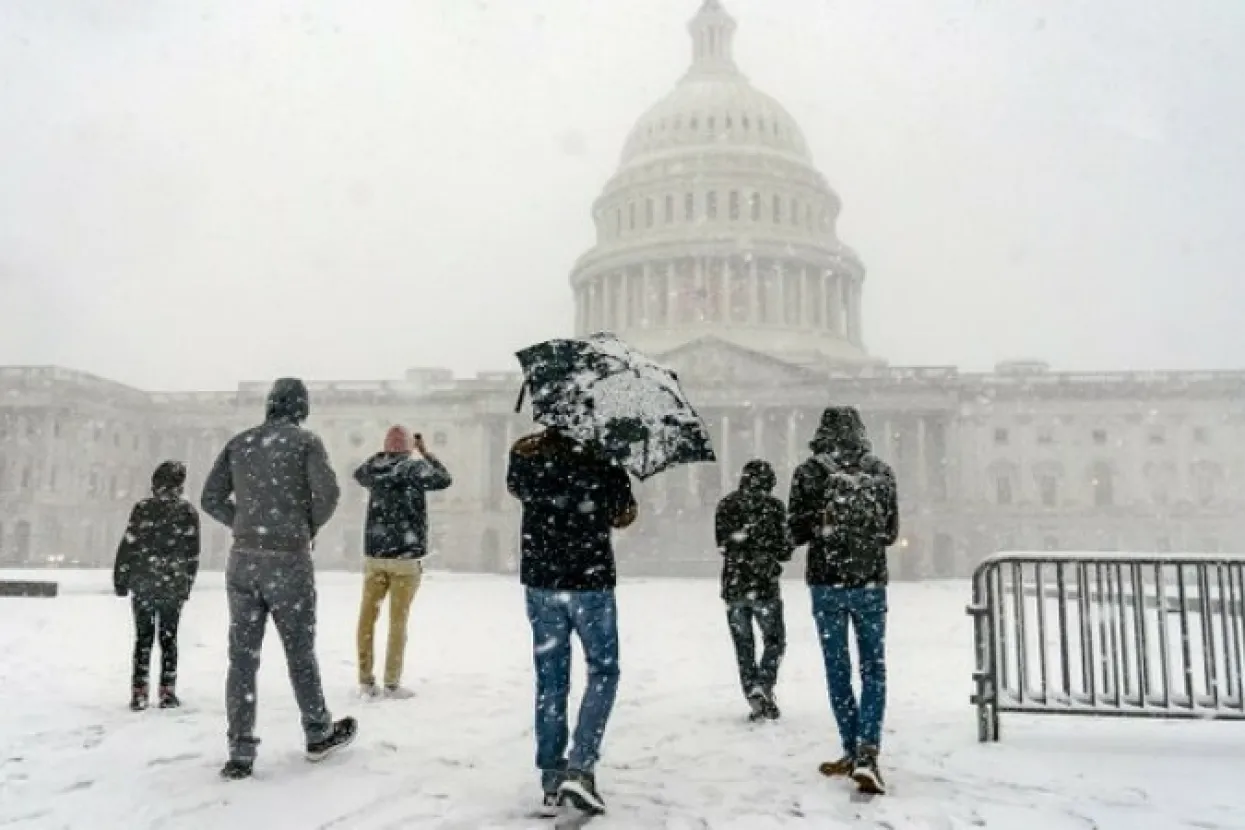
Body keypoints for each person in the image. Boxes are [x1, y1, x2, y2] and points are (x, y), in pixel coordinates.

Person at [201, 377, 357, 781]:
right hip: (288, 558)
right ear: (301, 408)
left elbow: (210, 498)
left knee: (242, 658)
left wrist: (244, 523)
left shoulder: (241, 442)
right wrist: (303, 526)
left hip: (244, 560)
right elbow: (328, 495)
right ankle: (318, 730)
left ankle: (240, 748)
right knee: (299, 651)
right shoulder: (306, 443)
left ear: (270, 405)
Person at [506, 427, 637, 817]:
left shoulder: (526, 452)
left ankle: (551, 775)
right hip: (590, 578)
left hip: (542, 578)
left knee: (551, 677)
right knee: (603, 670)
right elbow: (624, 514)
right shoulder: (605, 456)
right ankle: (580, 766)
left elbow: (517, 489)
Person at [788, 407, 899, 796]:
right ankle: (867, 751)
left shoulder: (808, 472)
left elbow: (796, 533)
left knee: (838, 670)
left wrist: (821, 525)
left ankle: (852, 749)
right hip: (869, 581)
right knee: (874, 668)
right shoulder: (880, 471)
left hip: (826, 582)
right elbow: (890, 532)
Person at [353, 425, 453, 699]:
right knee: (398, 623)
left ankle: (365, 679)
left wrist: (384, 453)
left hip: (375, 555)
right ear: (409, 447)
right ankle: (392, 683)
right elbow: (444, 479)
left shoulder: (374, 470)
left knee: (367, 620)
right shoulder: (413, 468)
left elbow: (358, 472)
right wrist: (424, 453)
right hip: (406, 558)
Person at [113, 460, 201, 712]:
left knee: (143, 639)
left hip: (144, 581)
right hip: (172, 583)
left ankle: (139, 691)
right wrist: (186, 584)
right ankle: (167, 691)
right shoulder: (187, 512)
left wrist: (121, 578)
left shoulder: (142, 509)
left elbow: (128, 543)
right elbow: (192, 553)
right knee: (168, 639)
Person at [715, 459, 793, 722]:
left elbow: (722, 544)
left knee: (743, 646)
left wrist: (741, 544)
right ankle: (764, 683)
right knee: (774, 641)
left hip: (735, 585)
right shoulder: (774, 508)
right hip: (764, 585)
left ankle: (753, 692)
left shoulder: (727, 505)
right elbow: (784, 550)